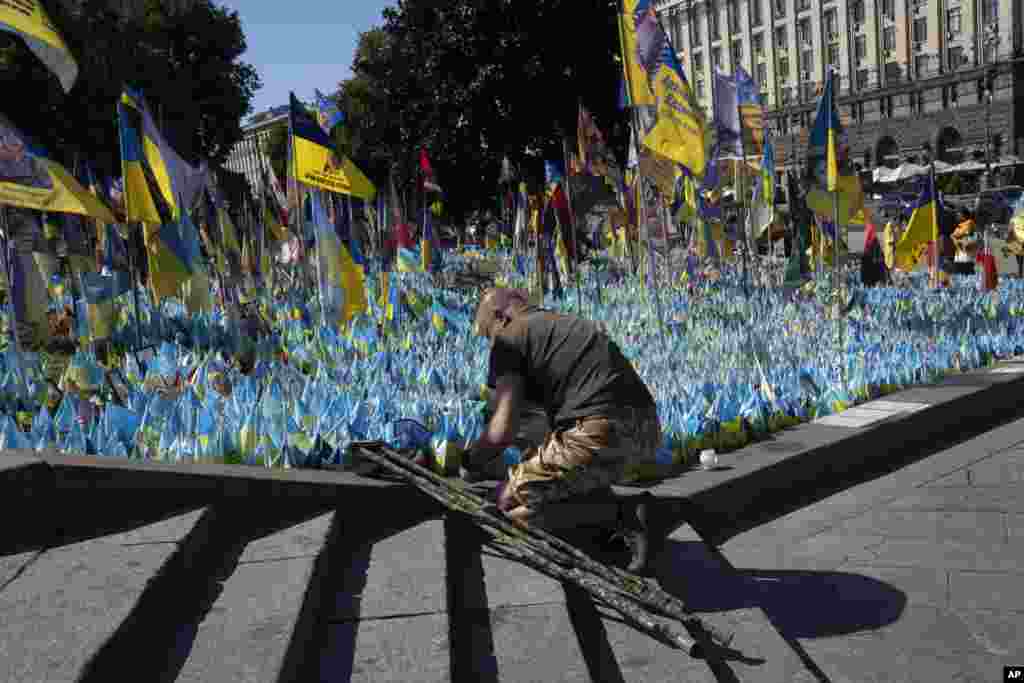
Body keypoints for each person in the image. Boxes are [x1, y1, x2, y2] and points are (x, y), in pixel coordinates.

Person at [463, 287, 664, 573]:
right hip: (647, 431)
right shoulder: (561, 323)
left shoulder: (511, 337)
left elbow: (502, 431)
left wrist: (471, 461)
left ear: (500, 316)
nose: (491, 341)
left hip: (598, 433)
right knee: (551, 482)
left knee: (509, 505)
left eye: (487, 332)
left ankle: (623, 514)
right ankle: (610, 519)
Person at [951, 208, 979, 276]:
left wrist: (955, 236)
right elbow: (953, 236)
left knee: (967, 274)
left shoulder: (969, 222)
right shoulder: (959, 225)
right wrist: (955, 236)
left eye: (959, 214)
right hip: (959, 254)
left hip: (967, 255)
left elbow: (964, 233)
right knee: (959, 275)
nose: (957, 216)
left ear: (964, 215)